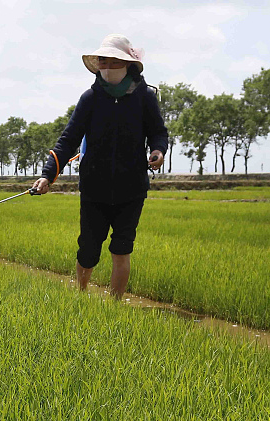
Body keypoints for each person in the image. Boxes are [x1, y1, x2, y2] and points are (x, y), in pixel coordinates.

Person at [31, 34, 168, 299]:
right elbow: (68, 140)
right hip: (95, 187)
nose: (105, 65)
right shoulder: (90, 99)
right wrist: (48, 175)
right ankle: (80, 297)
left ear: (126, 64)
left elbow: (158, 132)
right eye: (101, 60)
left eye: (110, 60)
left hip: (132, 187)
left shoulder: (145, 97)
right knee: (88, 247)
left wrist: (158, 151)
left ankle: (115, 306)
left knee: (122, 247)